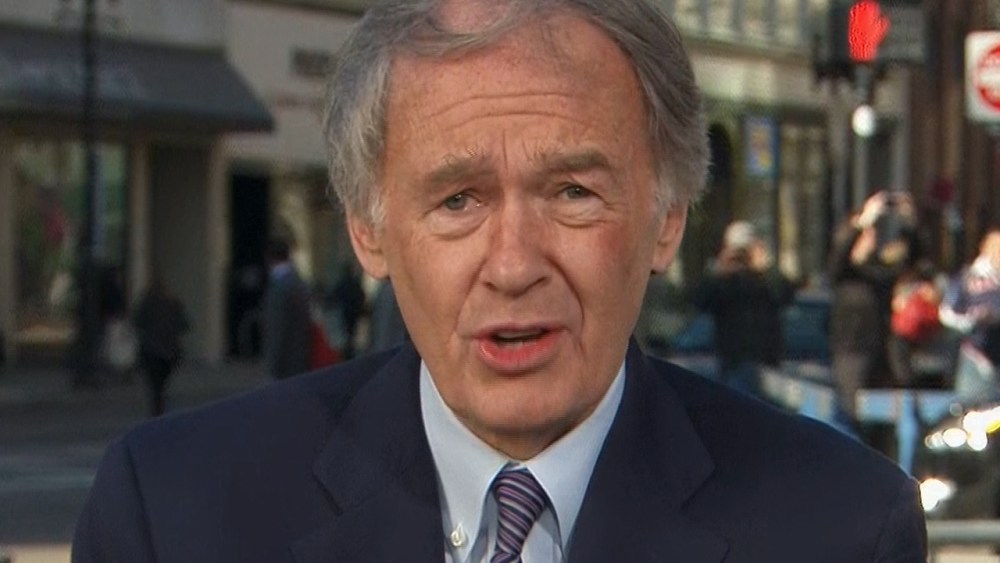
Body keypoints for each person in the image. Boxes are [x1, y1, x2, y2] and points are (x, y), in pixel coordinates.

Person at [73, 1, 926, 561]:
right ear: (369, 229)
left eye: (573, 193)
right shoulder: (174, 513)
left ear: (668, 216)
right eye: (457, 200)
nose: (514, 264)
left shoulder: (842, 527)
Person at [829, 190, 923, 429]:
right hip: (852, 351)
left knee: (885, 421)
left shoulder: (880, 272)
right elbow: (839, 258)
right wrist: (862, 223)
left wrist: (908, 225)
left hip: (883, 351)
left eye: (873, 234)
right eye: (865, 235)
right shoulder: (846, 275)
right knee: (850, 416)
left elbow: (914, 263)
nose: (870, 239)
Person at [693, 221, 793, 398]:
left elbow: (786, 295)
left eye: (745, 252)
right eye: (737, 252)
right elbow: (700, 301)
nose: (742, 259)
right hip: (733, 361)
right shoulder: (724, 282)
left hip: (767, 362)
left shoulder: (765, 280)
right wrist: (720, 269)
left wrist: (765, 266)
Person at [939, 227, 1000, 402]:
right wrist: (972, 319)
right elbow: (946, 313)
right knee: (973, 408)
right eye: (996, 247)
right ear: (985, 248)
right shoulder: (967, 278)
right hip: (976, 357)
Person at [131, 276, 190, 416]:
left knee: (154, 385)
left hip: (151, 350)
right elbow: (184, 325)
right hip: (169, 350)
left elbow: (137, 322)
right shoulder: (173, 303)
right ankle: (160, 407)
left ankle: (157, 409)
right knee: (162, 384)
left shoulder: (147, 303)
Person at [261, 238, 312, 379]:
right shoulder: (298, 282)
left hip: (285, 363)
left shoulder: (279, 287)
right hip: (300, 356)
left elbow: (276, 328)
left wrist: (272, 363)